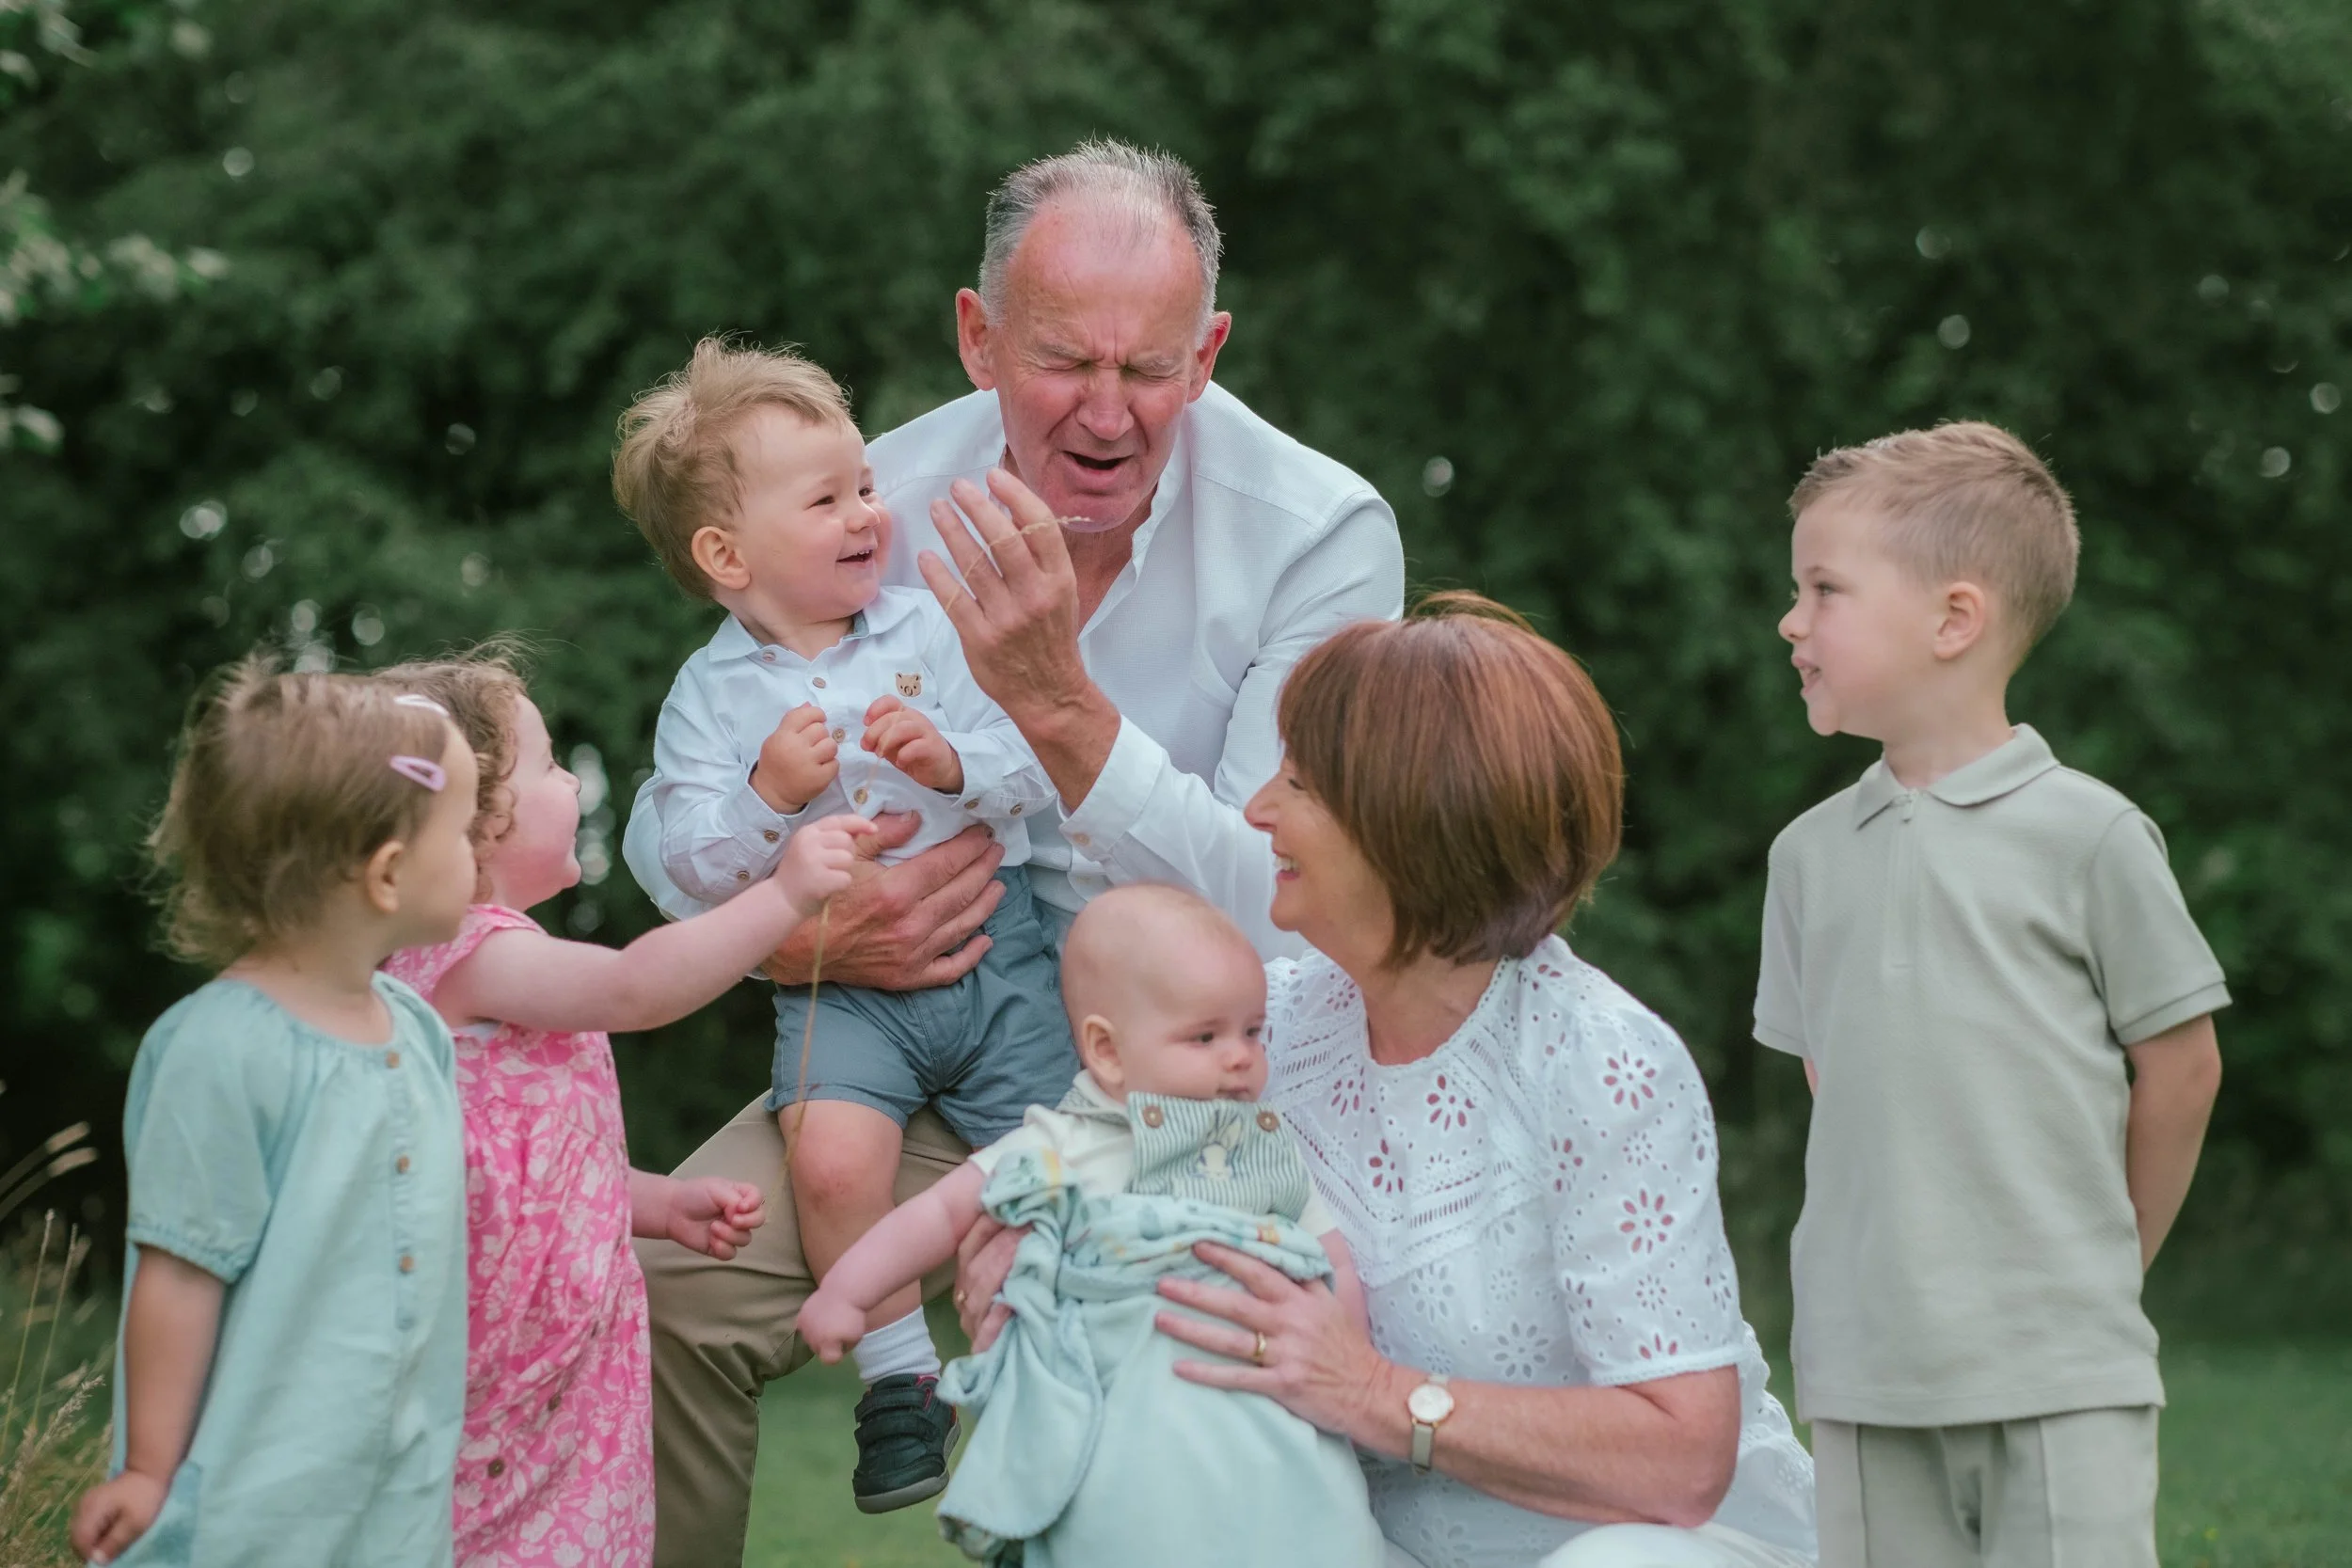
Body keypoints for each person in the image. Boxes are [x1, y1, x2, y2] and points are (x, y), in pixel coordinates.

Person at [621, 138, 1404, 1563]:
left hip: (1212, 1080)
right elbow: (673, 815)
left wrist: (1061, 711)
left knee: (1179, 1363)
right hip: (922, 1009)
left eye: (1150, 367)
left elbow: (1287, 908)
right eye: (1062, 361)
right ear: (977, 337)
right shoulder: (869, 495)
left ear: (1210, 353)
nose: (1107, 411)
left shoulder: (1319, 538)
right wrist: (800, 932)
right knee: (671, 1288)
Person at [958, 595, 1820, 1567]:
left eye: (1299, 782)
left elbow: (1682, 1458)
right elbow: (1087, 1165)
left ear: (1409, 818)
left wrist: (1370, 1389)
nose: (1258, 809)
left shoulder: (1601, 1060)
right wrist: (1022, 1248)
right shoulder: (1255, 1038)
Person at [612, 339, 1074, 1512]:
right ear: (727, 553)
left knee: (1060, 1175)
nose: (871, 512)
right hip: (842, 996)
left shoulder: (929, 630)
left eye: (864, 484)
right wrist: (762, 799)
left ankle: (1049, 1422)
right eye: (827, 499)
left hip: (998, 956)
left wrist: (957, 761)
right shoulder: (711, 699)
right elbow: (682, 865)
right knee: (827, 1155)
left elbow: (1040, 760)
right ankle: (898, 1379)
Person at [1756, 423, 2227, 1567]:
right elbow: (1835, 1080)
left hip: (2061, 1367)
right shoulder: (1807, 856)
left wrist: (2108, 1262)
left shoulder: (2092, 834)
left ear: (1952, 620)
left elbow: (2182, 1063)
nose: (1790, 621)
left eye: (1823, 590)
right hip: (1866, 1372)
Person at [376, 650, 869, 1565]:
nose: (571, 780)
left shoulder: (464, 956)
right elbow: (638, 988)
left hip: (562, 1365)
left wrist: (650, 1199)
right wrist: (785, 890)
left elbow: (522, 1152)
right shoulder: (472, 953)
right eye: (551, 763)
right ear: (480, 816)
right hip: (517, 1378)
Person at [798, 883, 1382, 1566]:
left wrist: (1351, 1362)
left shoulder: (1261, 1150)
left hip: (1261, 1426)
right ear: (1106, 1050)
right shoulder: (1060, 1142)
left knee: (1311, 1522)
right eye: (1206, 1035)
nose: (1241, 1057)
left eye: (1253, 1032)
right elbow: (940, 1211)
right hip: (1124, 1433)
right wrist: (848, 1290)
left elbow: (1331, 1257)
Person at [71, 663, 481, 1566]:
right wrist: (146, 1471)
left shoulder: (416, 1029)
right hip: (255, 1512)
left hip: (394, 1506)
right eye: (461, 830)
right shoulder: (218, 1050)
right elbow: (181, 1273)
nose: (476, 855)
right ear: (388, 872)